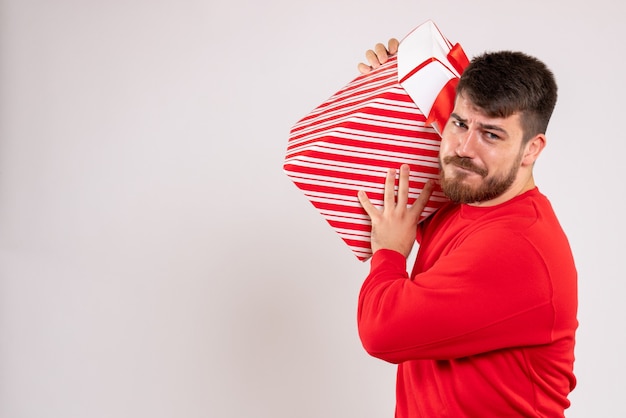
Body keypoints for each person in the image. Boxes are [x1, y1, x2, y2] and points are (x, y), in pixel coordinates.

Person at [355, 39, 578, 417]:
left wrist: (390, 252)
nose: (464, 148)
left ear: (531, 149)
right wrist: (389, 87)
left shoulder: (517, 247)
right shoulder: (467, 199)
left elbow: (381, 332)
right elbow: (420, 147)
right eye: (460, 124)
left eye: (491, 135)